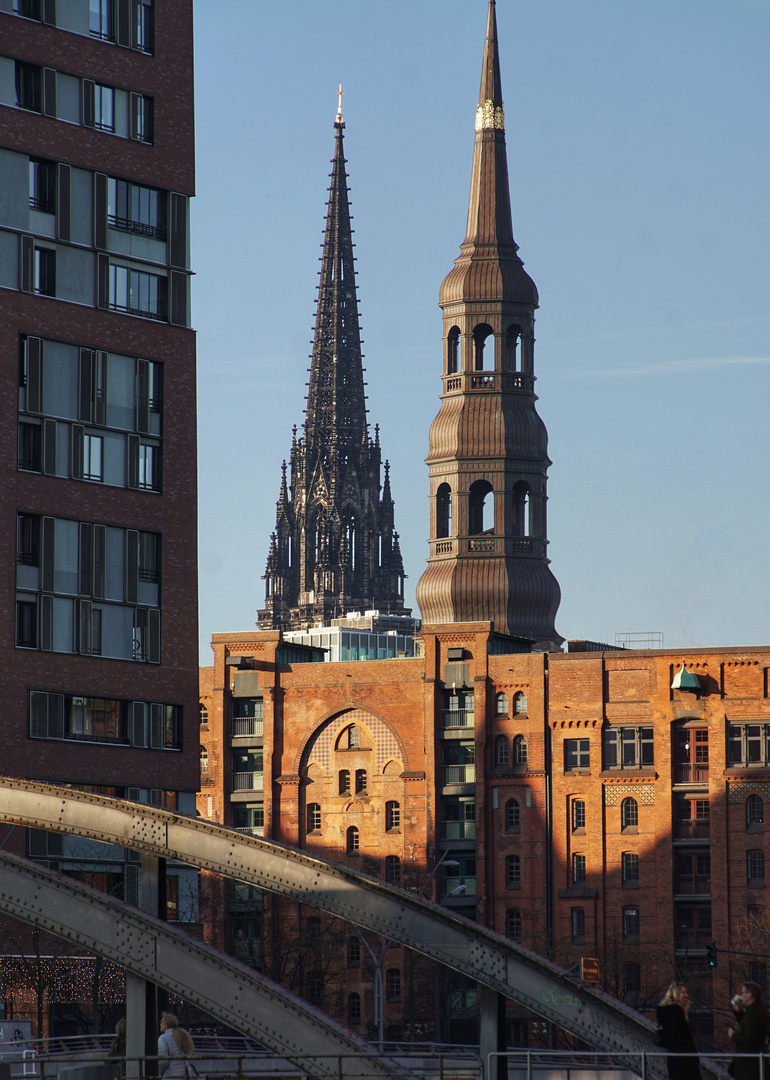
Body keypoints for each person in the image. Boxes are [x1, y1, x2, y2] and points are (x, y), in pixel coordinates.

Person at [656, 982, 702, 1080]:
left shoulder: (667, 1013)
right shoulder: (676, 1011)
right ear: (675, 995)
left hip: (674, 1061)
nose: (686, 995)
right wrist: (693, 1056)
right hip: (684, 1062)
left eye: (686, 992)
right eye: (683, 993)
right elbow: (680, 1038)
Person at [728, 982, 770, 1080]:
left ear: (749, 995)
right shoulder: (759, 1010)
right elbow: (749, 1027)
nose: (741, 996)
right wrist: (739, 1013)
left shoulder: (754, 1012)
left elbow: (748, 1038)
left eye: (743, 993)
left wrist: (733, 1036)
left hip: (749, 1064)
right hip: (753, 1062)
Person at [158, 1013, 195, 1079]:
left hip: (171, 1074)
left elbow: (163, 1061)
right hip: (184, 1074)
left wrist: (160, 1074)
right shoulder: (183, 1036)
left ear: (166, 1024)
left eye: (162, 1022)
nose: (160, 1024)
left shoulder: (163, 1038)